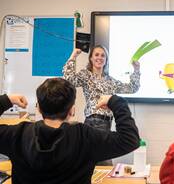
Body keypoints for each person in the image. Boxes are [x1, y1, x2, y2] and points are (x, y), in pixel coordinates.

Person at [0, 78, 140, 184]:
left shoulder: (17, 135)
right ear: (72, 110)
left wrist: (7, 99)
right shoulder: (85, 137)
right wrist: (115, 102)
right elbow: (130, 139)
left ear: (39, 108)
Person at [63, 46, 140, 131]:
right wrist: (73, 56)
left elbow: (132, 88)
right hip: (93, 121)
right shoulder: (86, 75)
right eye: (96, 55)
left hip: (107, 123)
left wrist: (136, 69)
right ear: (91, 59)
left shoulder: (110, 80)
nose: (100, 57)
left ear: (106, 60)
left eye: (103, 55)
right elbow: (69, 79)